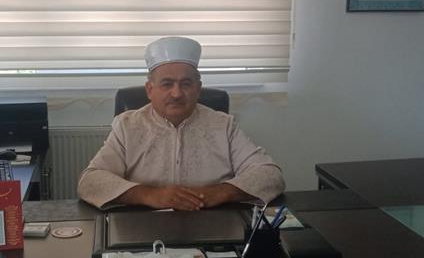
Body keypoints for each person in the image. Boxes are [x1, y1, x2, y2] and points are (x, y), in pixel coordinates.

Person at [77, 36, 285, 210]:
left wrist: (219, 192)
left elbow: (270, 176)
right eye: (167, 84)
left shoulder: (223, 125)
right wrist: (149, 195)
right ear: (150, 90)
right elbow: (90, 182)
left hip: (211, 224)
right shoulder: (127, 126)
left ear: (198, 89)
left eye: (186, 84)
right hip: (143, 226)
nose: (176, 93)